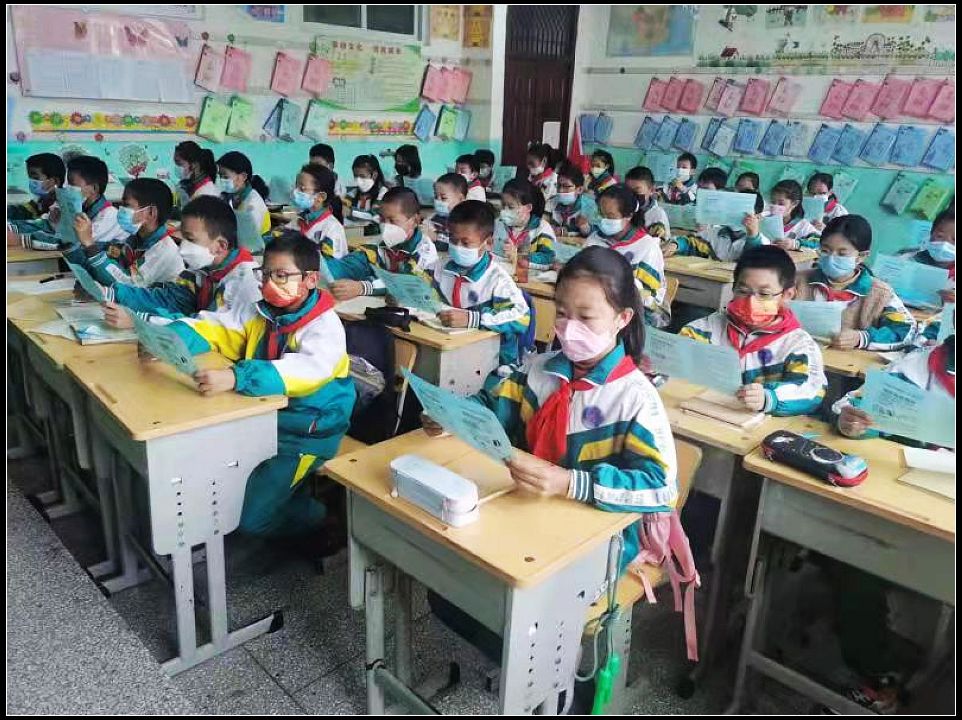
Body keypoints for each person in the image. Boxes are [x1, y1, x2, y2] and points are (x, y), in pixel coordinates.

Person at [424, 246, 696, 670]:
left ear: (622, 318)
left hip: (596, 534)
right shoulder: (539, 369)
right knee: (449, 583)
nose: (569, 328)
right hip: (526, 509)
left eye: (586, 317)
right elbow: (493, 408)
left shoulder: (634, 398)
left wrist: (572, 483)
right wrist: (451, 415)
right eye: (563, 313)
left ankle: (547, 673)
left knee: (520, 601)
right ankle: (524, 659)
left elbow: (661, 490)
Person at [168, 232, 355, 544]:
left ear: (311, 279)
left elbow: (306, 371)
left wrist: (237, 377)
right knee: (203, 470)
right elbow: (215, 328)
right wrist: (170, 338)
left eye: (281, 275)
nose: (269, 283)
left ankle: (322, 517)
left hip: (304, 433)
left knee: (251, 520)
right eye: (265, 274)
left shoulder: (325, 327)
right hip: (259, 419)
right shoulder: (260, 311)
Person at [680, 245, 828, 415]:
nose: (751, 302)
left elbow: (812, 390)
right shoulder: (708, 329)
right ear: (733, 288)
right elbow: (677, 355)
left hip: (761, 425)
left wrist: (769, 398)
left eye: (764, 294)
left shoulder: (797, 345)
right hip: (707, 415)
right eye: (743, 291)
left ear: (787, 295)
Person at [101, 195, 260, 326]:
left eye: (191, 239)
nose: (182, 247)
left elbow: (206, 329)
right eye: (183, 237)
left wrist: (140, 321)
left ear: (220, 246)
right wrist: (113, 293)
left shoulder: (243, 283)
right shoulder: (202, 271)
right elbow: (168, 300)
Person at [796, 215, 916, 352]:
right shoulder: (798, 281)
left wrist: (861, 338)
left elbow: (905, 331)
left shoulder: (879, 293)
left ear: (861, 256)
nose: (831, 258)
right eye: (825, 251)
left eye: (842, 254)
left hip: (844, 363)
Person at [433, 200, 530, 368]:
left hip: (494, 361)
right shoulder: (439, 267)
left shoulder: (497, 279)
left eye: (466, 243)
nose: (457, 247)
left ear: (489, 243)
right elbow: (422, 293)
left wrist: (473, 319)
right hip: (451, 347)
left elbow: (522, 317)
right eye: (453, 240)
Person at [66, 177, 183, 287]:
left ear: (151, 212)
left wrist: (90, 245)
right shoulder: (133, 240)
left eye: (126, 205)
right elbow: (109, 268)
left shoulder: (163, 251)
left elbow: (127, 285)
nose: (120, 210)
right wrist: (71, 245)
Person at [327, 187, 438, 300]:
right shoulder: (380, 242)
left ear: (415, 221)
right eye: (382, 219)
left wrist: (362, 287)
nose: (385, 226)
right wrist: (324, 267)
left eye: (392, 221)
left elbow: (407, 283)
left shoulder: (425, 251)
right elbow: (355, 263)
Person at [585, 184, 668, 327]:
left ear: (629, 216)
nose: (603, 220)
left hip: (633, 318)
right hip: (593, 307)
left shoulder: (647, 247)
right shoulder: (594, 239)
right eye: (601, 214)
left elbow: (650, 298)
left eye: (610, 216)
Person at [493, 178, 556, 271]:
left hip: (528, 277)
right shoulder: (498, 223)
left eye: (511, 207)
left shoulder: (542, 228)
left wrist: (518, 255)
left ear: (528, 208)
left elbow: (549, 258)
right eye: (503, 206)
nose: (504, 211)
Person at [286, 164, 347, 259]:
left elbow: (329, 264)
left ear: (320, 197)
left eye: (302, 188)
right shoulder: (299, 220)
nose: (295, 192)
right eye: (296, 187)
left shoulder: (333, 229)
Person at [896, 208, 955, 306]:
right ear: (931, 234)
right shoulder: (906, 257)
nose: (945, 243)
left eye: (954, 240)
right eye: (940, 236)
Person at [217, 151, 271, 253]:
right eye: (220, 176)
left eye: (225, 177)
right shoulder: (230, 197)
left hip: (254, 252)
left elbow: (247, 240)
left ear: (243, 177)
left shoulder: (253, 203)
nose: (221, 180)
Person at [422, 172, 468, 251]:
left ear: (460, 199)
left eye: (443, 198)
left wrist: (436, 237)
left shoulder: (467, 221)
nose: (438, 201)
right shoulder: (434, 217)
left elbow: (461, 244)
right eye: (436, 196)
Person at [550, 162, 597, 238]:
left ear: (579, 189)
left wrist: (585, 229)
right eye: (558, 185)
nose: (560, 190)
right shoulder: (552, 202)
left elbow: (596, 233)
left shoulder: (590, 206)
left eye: (566, 186)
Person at [625, 165, 670, 241]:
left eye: (637, 191)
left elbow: (664, 241)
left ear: (651, 190)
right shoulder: (622, 208)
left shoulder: (658, 214)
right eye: (628, 190)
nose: (631, 195)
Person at [173, 141, 220, 206]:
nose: (177, 167)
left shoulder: (207, 193)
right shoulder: (190, 185)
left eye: (179, 163)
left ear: (195, 164)